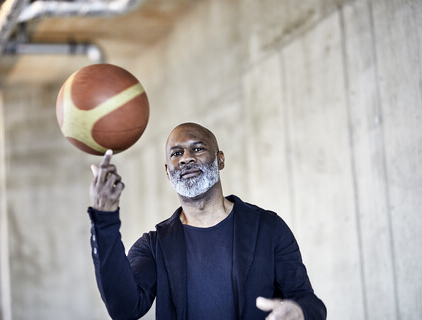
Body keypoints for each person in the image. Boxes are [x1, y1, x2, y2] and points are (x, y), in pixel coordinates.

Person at [88, 122, 326, 320]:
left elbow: (308, 301)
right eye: (176, 153)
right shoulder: (154, 246)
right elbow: (124, 309)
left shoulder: (268, 228)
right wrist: (104, 219)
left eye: (198, 149)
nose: (186, 159)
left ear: (220, 160)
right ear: (167, 171)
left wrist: (300, 312)